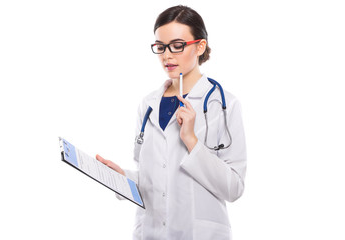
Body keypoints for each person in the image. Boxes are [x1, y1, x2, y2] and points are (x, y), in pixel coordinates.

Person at [96, 5, 247, 240]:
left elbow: (234, 188)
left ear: (200, 46)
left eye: (177, 46)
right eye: (160, 47)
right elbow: (157, 180)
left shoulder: (223, 104)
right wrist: (122, 178)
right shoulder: (147, 105)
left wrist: (191, 140)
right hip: (152, 233)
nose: (167, 55)